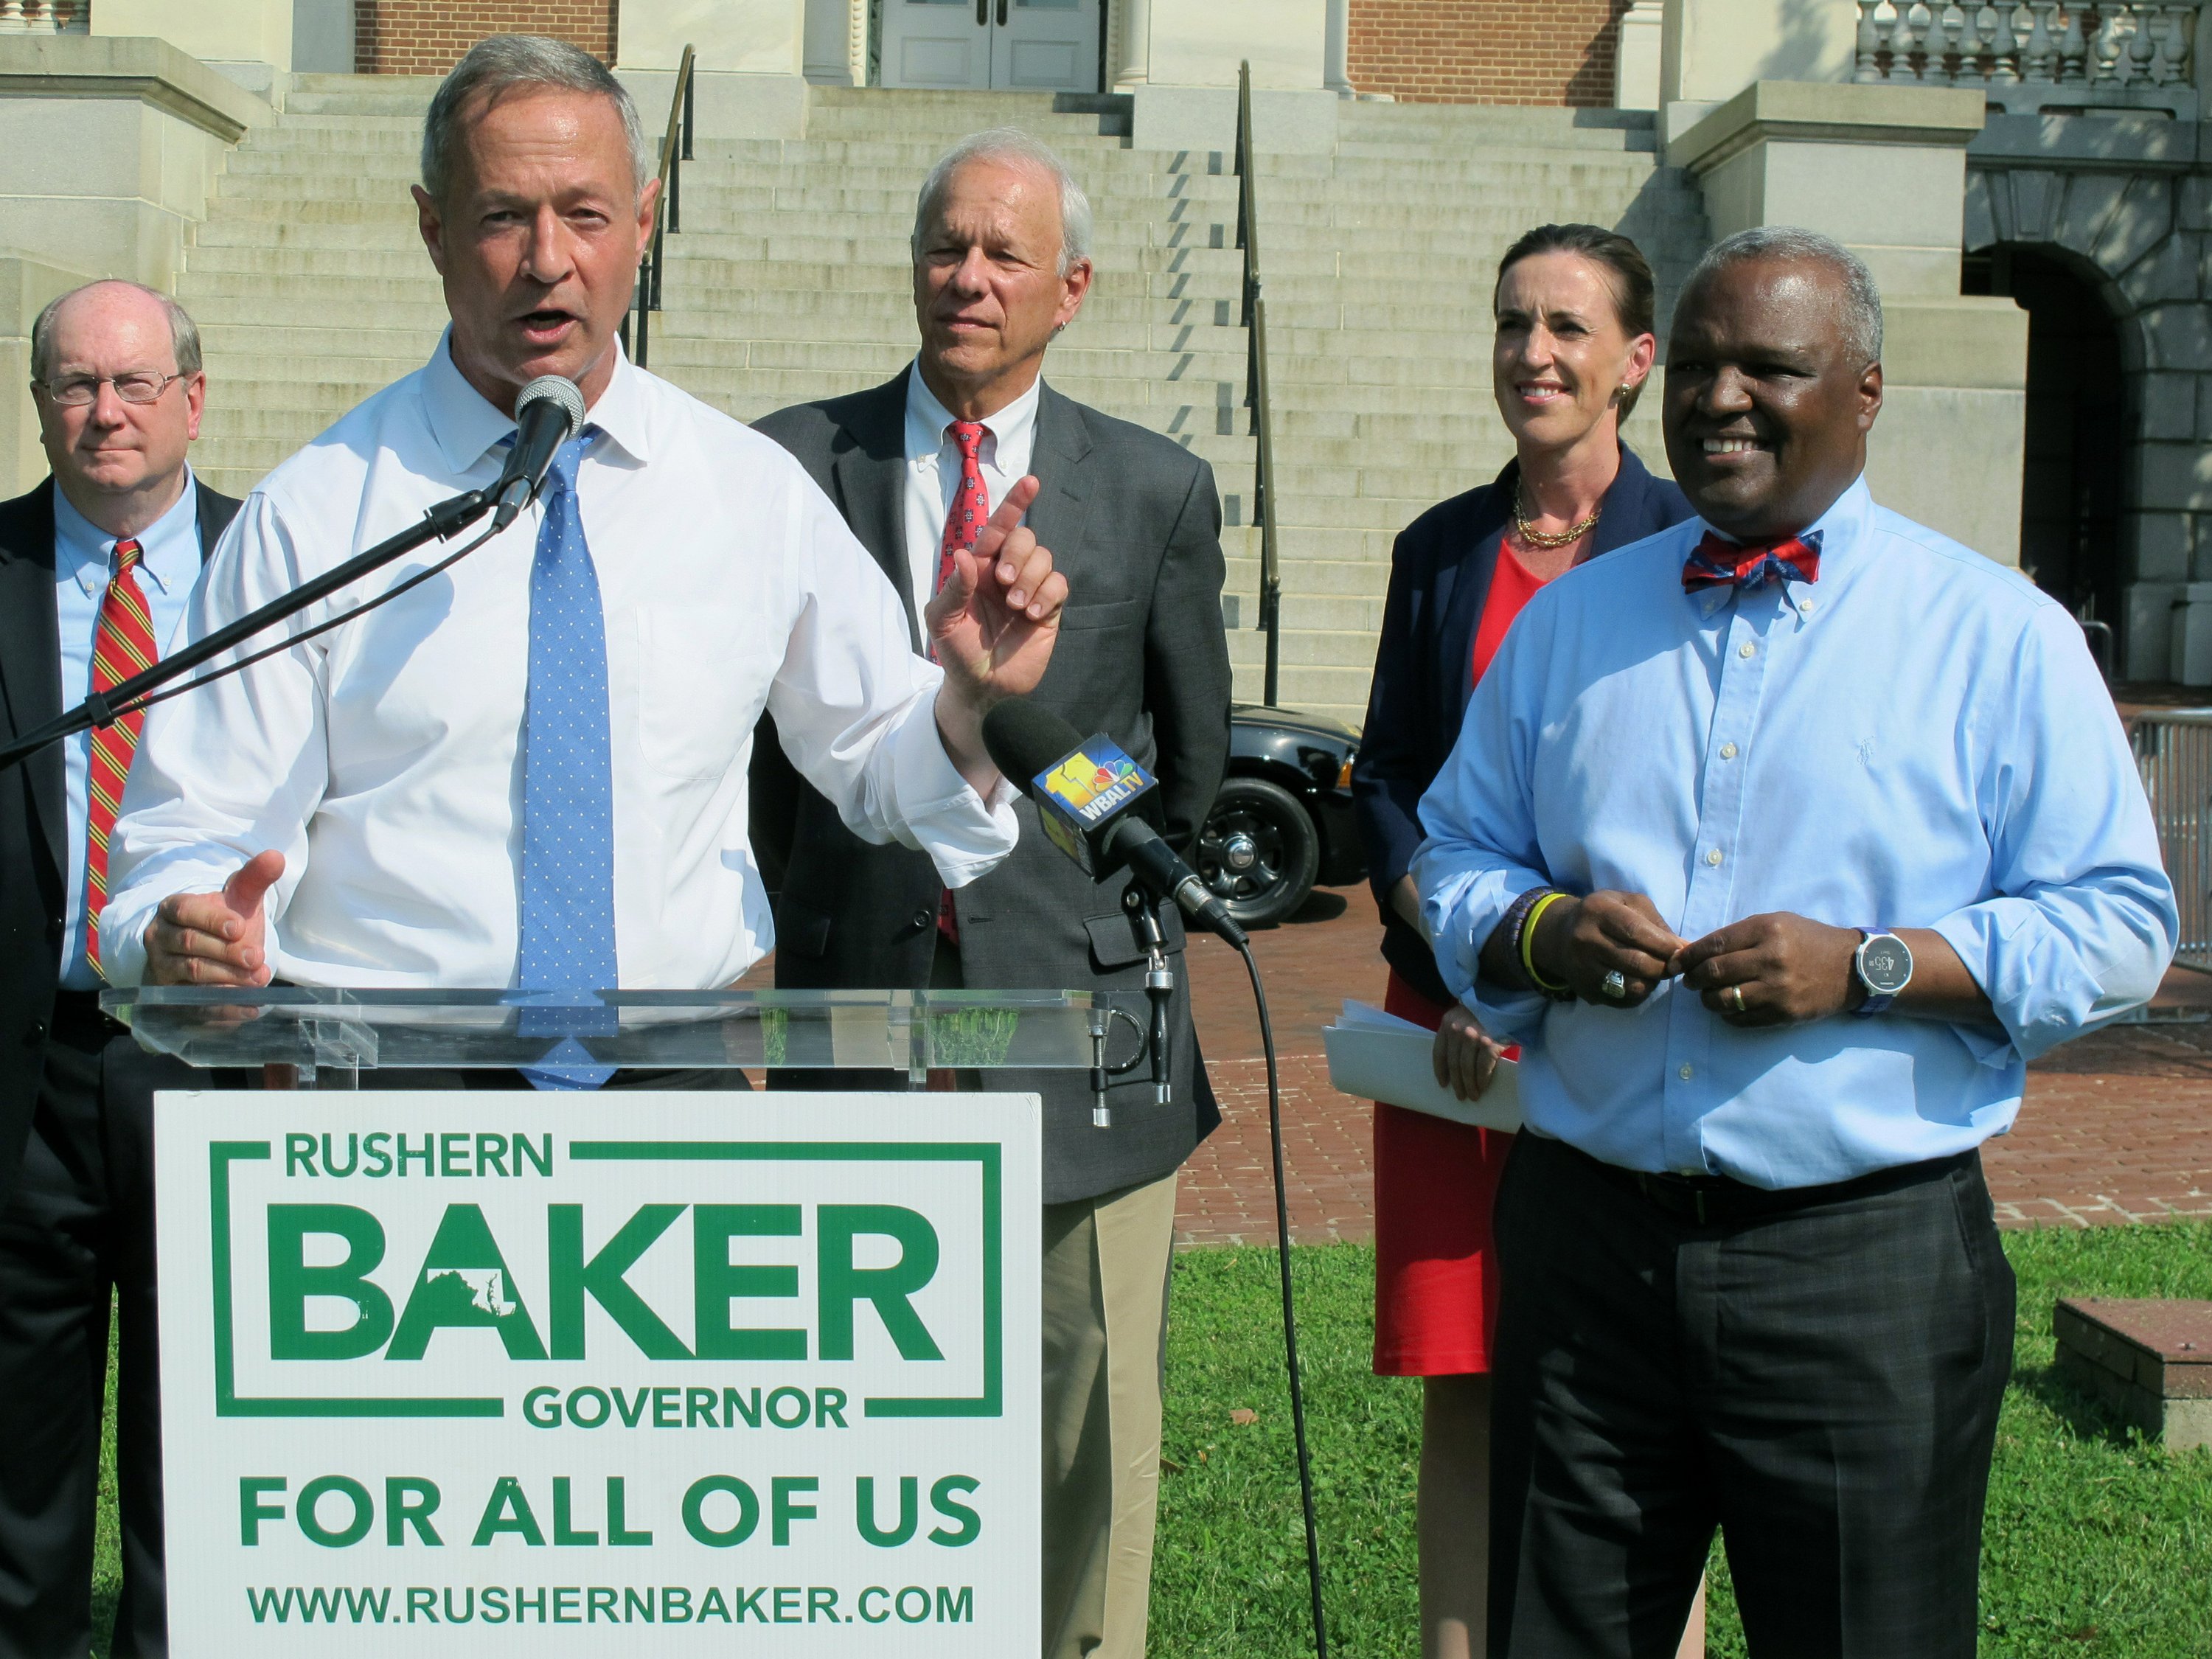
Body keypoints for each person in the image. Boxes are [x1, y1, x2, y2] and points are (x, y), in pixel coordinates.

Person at [1414, 225, 2177, 1658]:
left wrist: (1870, 968)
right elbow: (1454, 857)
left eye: (1770, 365)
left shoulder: (1994, 637)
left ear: (1866, 393)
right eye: (1695, 365)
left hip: (1860, 1262)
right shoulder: (1577, 626)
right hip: (1589, 1245)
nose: (1720, 398)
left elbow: (2122, 928)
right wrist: (1545, 934)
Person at [100, 36, 1065, 1068]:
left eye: (587, 214)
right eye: (503, 216)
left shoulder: (748, 492)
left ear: (644, 222)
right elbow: (190, 835)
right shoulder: (318, 514)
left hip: (668, 1078)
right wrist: (184, 932)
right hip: (395, 1101)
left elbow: (882, 757)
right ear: (432, 228)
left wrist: (967, 701)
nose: (548, 259)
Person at [748, 128, 1232, 1659]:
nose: (967, 278)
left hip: (1079, 1028)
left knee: (1080, 1414)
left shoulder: (1155, 491)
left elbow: (1184, 776)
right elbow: (756, 767)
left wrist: (1056, 795)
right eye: (946, 245)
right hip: (852, 1016)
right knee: (860, 1407)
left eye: (1005, 255)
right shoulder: (788, 468)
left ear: (1072, 288)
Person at [1350, 223, 1696, 1659]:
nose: (1533, 355)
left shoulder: (1688, 547)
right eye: (1512, 324)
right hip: (1450, 1042)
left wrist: (1559, 975)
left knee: (1635, 1395)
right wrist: (1456, 969)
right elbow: (1386, 780)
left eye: (1566, 327)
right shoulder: (1440, 550)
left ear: (1637, 359)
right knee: (1467, 1381)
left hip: (1620, 1042)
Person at [0, 279, 240, 1655]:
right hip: (28, 1084)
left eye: (134, 384)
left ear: (190, 400)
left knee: (195, 1453)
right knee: (19, 1477)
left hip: (210, 1066)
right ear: (39, 405)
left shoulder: (281, 557)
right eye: (76, 385)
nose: (105, 412)